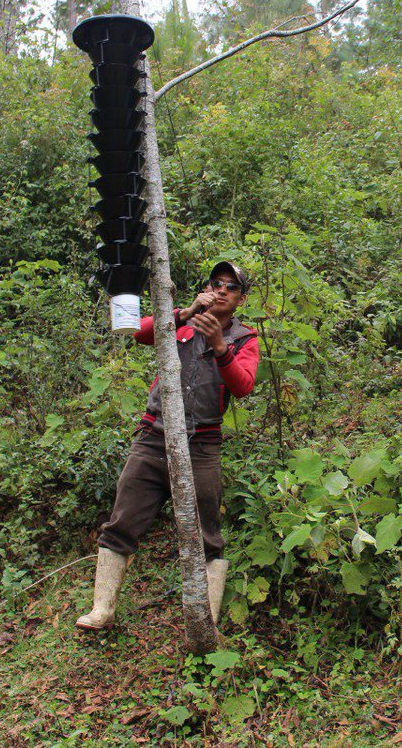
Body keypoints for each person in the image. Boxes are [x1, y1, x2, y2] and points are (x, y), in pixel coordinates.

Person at [77, 261, 259, 631]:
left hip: (202, 447)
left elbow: (243, 386)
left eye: (231, 287)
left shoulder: (244, 339)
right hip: (152, 438)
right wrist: (184, 313)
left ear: (241, 299)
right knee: (122, 521)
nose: (221, 290)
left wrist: (220, 346)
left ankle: (205, 623)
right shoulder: (183, 323)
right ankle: (102, 611)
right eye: (216, 283)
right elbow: (138, 332)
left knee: (208, 535)